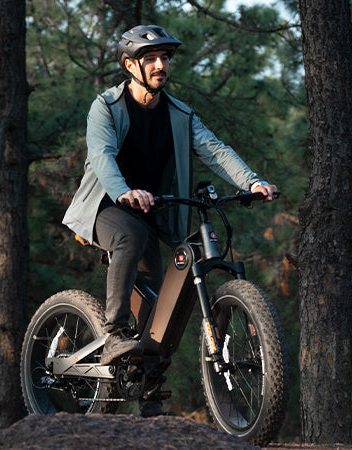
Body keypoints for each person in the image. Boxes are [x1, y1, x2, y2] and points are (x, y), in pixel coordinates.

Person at [62, 24, 278, 369]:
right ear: (131, 65)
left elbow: (215, 151)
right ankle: (115, 331)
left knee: (158, 304)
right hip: (106, 205)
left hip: (149, 212)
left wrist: (252, 182)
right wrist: (124, 192)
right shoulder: (106, 106)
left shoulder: (179, 114)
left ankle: (148, 390)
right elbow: (101, 157)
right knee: (129, 236)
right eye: (151, 59)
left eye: (164, 58)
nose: (161, 65)